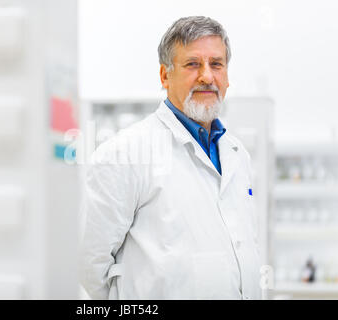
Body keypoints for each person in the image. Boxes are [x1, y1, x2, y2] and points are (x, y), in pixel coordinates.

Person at [79, 16, 262, 300]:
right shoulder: (124, 154)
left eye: (216, 64)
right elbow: (90, 266)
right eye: (192, 64)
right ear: (165, 76)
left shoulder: (237, 154)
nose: (207, 76)